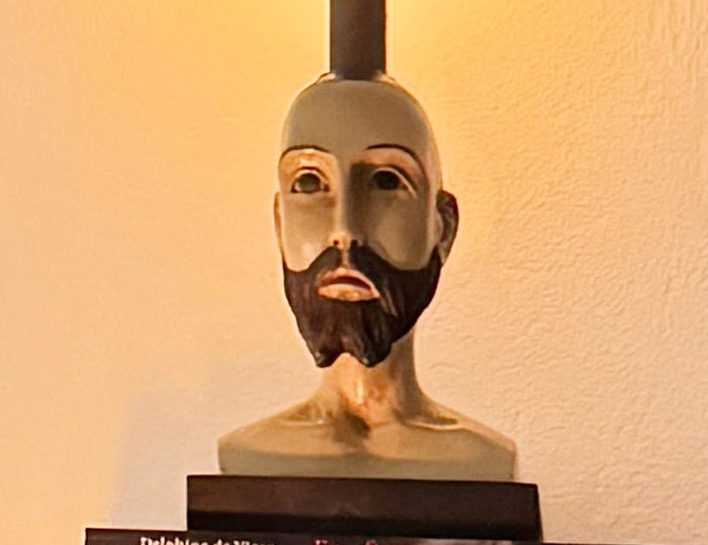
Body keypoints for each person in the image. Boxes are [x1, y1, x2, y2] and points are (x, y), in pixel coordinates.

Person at [217, 64, 518, 477]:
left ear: (442, 227)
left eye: (385, 182)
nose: (344, 231)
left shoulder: (483, 462)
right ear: (279, 222)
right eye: (309, 183)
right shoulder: (246, 455)